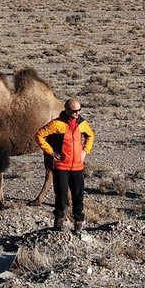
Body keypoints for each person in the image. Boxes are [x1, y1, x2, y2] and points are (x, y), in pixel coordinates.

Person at [35, 98, 94, 234]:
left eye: (79, 110)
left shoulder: (82, 124)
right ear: (67, 110)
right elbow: (39, 135)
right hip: (61, 166)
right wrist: (50, 151)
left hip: (78, 167)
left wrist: (85, 151)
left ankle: (78, 222)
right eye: (74, 111)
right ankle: (59, 221)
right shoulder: (57, 124)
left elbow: (90, 135)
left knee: (78, 196)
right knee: (61, 195)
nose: (77, 113)